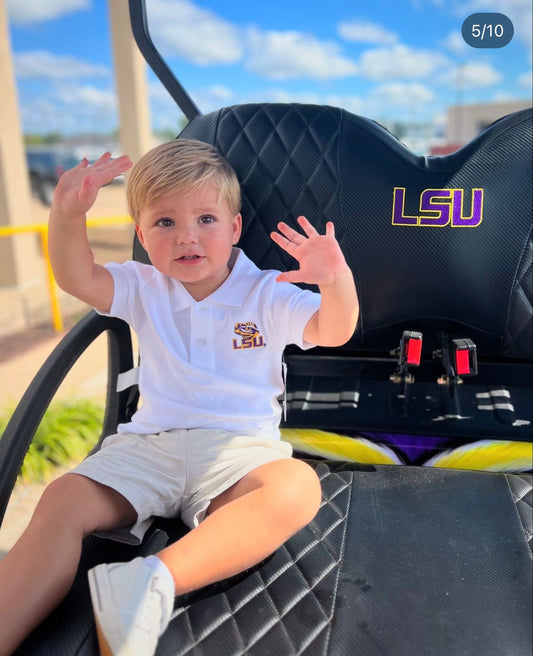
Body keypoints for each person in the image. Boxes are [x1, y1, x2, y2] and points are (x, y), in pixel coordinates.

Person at [0, 139, 358, 656]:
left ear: (234, 229)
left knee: (297, 487)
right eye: (164, 223)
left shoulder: (266, 291)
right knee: (62, 499)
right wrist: (66, 213)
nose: (187, 237)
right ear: (141, 235)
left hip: (238, 452)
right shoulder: (144, 286)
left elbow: (333, 328)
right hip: (149, 446)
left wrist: (336, 280)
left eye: (206, 219)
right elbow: (76, 275)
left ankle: (149, 581)